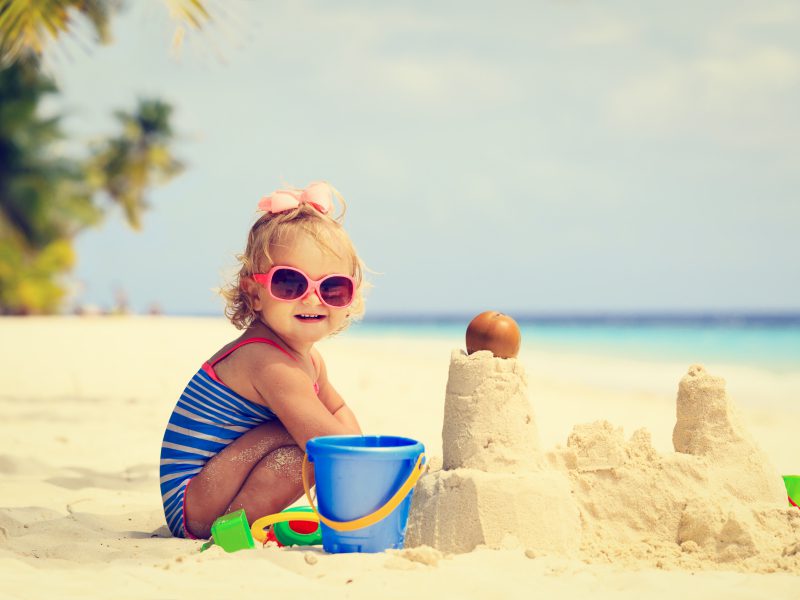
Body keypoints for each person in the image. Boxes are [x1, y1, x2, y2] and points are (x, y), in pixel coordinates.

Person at [159, 181, 365, 539]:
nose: (312, 299)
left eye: (332, 288)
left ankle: (244, 522)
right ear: (254, 294)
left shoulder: (310, 360)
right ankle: (232, 529)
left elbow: (339, 411)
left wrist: (358, 454)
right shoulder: (267, 361)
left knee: (311, 443)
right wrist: (364, 470)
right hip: (192, 499)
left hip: (217, 482)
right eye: (290, 284)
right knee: (309, 448)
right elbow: (328, 444)